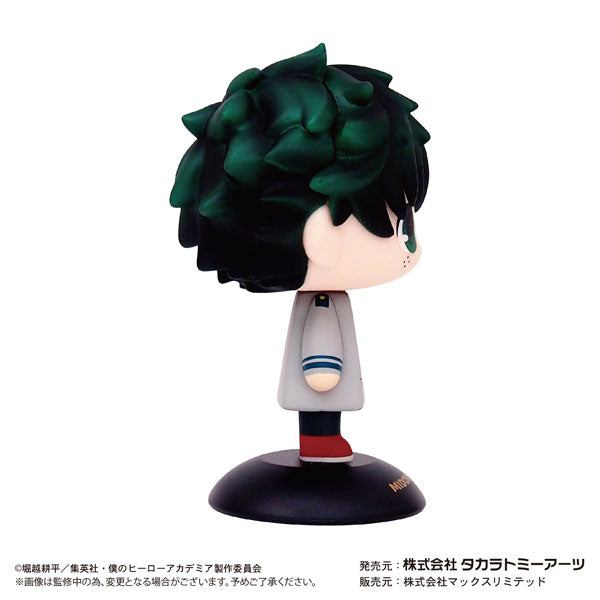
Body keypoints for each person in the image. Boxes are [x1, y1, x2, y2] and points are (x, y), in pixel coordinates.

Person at [170, 43, 430, 462]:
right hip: (320, 383)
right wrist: (323, 369)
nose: (411, 247)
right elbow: (322, 371)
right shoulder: (322, 307)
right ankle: (320, 444)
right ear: (322, 239)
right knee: (320, 400)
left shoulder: (324, 300)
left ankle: (322, 441)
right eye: (404, 228)